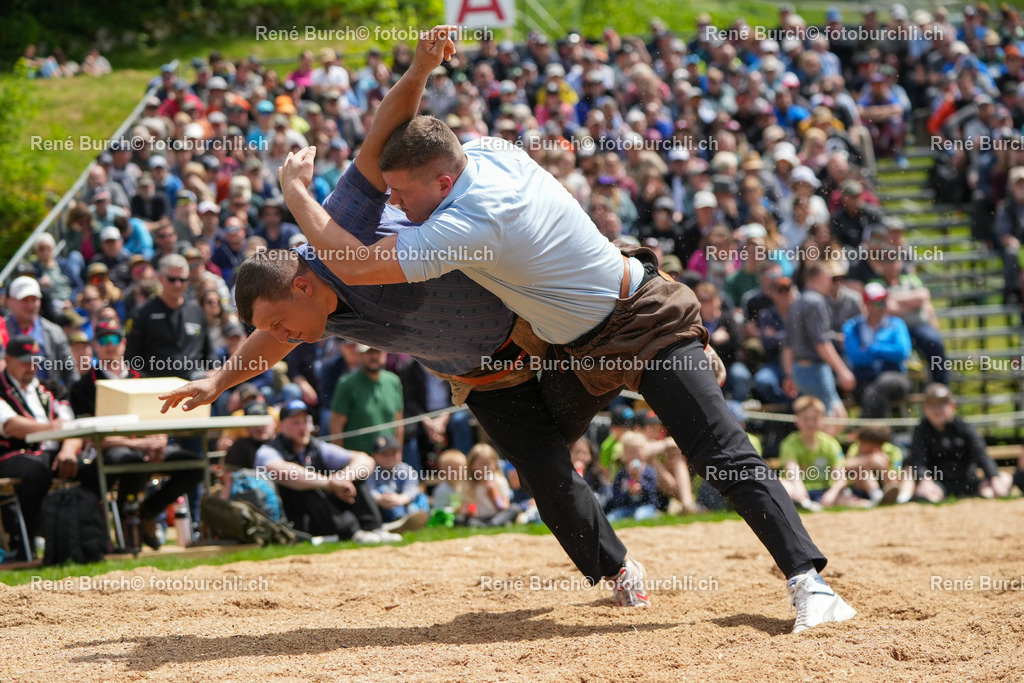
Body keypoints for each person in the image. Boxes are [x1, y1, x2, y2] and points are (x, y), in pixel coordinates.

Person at [277, 29, 855, 632]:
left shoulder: (471, 221)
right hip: (575, 348)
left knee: (717, 449)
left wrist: (298, 194)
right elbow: (388, 140)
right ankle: (617, 568)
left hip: (644, 321)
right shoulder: (486, 149)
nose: (391, 200)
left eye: (401, 191)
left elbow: (357, 265)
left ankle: (809, 583)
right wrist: (421, 69)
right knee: (539, 460)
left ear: (442, 184)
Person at [68, 320, 203, 549]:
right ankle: (127, 534)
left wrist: (159, 440)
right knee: (131, 460)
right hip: (109, 452)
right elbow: (90, 436)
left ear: (124, 343)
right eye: (103, 339)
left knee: (196, 466)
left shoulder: (141, 378)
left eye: (114, 339)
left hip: (147, 448)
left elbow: (157, 418)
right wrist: (142, 445)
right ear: (95, 346)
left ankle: (147, 512)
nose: (110, 345)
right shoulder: (82, 386)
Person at [252, 399, 399, 543]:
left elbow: (365, 460)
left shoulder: (317, 447)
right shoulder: (267, 451)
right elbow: (284, 471)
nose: (303, 427)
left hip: (326, 511)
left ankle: (374, 528)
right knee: (307, 485)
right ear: (281, 426)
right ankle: (352, 533)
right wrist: (329, 483)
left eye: (305, 421)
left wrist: (342, 478)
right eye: (296, 423)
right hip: (296, 518)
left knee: (355, 476)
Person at [0, 335, 85, 560]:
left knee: (90, 465)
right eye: (24, 361)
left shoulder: (52, 388)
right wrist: (51, 427)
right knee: (35, 470)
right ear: (7, 360)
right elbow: (10, 425)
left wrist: (68, 451)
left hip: (56, 453)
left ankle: (89, 541)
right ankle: (27, 541)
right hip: (15, 456)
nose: (31, 367)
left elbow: (72, 427)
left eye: (35, 361)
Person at [908, 384, 1013, 503]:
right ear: (925, 409)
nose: (936, 409)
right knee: (930, 495)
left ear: (952, 406)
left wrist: (994, 478)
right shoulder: (921, 431)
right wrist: (924, 480)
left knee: (1001, 481)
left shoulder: (964, 427)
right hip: (939, 484)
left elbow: (981, 455)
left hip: (968, 482)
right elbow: (918, 461)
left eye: (941, 404)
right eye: (932, 405)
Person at [125, 254, 213, 380]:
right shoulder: (141, 313)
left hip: (194, 384)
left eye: (182, 280)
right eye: (172, 279)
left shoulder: (197, 312)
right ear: (160, 278)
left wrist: (214, 373)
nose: (177, 284)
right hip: (156, 387)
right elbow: (131, 356)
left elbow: (209, 352)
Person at [842, 282, 913, 419]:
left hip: (895, 377)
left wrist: (871, 348)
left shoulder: (897, 324)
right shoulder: (852, 327)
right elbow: (855, 357)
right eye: (879, 303)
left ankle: (864, 432)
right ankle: (881, 436)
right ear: (867, 305)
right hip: (863, 380)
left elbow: (902, 352)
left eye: (885, 301)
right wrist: (886, 351)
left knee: (877, 389)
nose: (884, 306)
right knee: (874, 393)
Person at [329, 346, 403, 454]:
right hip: (359, 462)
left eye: (377, 351)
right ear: (359, 354)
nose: (374, 356)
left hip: (387, 460)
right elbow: (336, 428)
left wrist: (398, 454)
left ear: (385, 354)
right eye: (369, 352)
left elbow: (399, 424)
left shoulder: (393, 381)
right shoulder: (346, 384)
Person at [366, 434, 429, 531]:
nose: (389, 457)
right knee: (384, 490)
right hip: (384, 506)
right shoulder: (371, 471)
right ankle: (398, 520)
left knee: (421, 498)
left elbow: (412, 488)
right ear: (375, 456)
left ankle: (416, 517)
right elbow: (369, 490)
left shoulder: (405, 469)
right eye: (385, 454)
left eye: (393, 453)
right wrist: (380, 499)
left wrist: (400, 499)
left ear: (400, 453)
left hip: (403, 502)